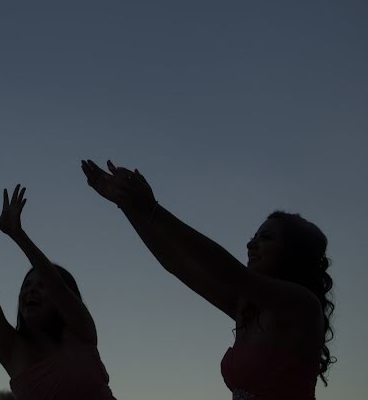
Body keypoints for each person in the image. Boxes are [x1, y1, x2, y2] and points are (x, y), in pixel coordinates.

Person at [81, 159, 335, 400]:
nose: (250, 244)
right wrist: (128, 205)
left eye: (265, 238)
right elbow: (177, 264)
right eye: (254, 237)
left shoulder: (303, 306)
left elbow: (228, 271)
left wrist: (152, 209)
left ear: (294, 253)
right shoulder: (246, 307)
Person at [0, 185, 116, 400]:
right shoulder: (12, 349)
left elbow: (59, 287)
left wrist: (19, 235)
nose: (31, 290)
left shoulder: (80, 332)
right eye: (26, 285)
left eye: (41, 285)